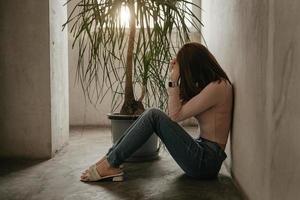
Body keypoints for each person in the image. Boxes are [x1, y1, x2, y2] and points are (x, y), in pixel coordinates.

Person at [80, 42, 233, 182]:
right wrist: (174, 77)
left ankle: (109, 162)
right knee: (153, 114)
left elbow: (174, 116)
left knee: (153, 114)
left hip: (206, 162)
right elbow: (173, 112)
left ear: (195, 65)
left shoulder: (218, 87)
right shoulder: (210, 87)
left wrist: (173, 79)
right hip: (201, 151)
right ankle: (109, 160)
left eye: (185, 68)